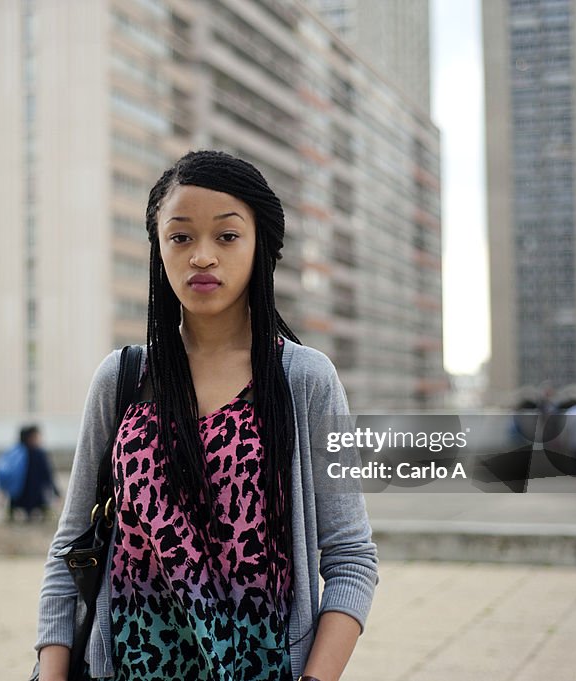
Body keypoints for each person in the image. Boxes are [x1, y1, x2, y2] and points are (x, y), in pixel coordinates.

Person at [35, 150, 379, 681]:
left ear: (260, 244)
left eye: (226, 236)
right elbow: (71, 543)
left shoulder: (304, 379)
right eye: (180, 237)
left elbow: (351, 556)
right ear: (159, 249)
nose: (201, 256)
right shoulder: (123, 378)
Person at [8, 425, 60, 522]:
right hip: (24, 490)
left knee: (37, 507)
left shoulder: (20, 453)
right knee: (34, 506)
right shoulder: (21, 454)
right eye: (35, 436)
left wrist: (55, 490)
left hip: (33, 491)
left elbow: (47, 474)